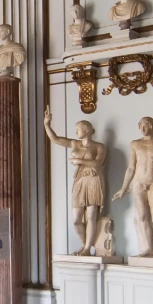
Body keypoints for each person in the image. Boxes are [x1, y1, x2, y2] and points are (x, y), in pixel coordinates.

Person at [44, 107, 108, 256]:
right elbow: (55, 139)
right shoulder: (74, 144)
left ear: (87, 130)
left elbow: (98, 163)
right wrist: (47, 124)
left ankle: (86, 249)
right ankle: (86, 245)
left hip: (93, 179)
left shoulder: (99, 146)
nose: (77, 131)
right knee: (76, 219)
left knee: (92, 215)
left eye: (79, 128)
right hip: (79, 180)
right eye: (76, 128)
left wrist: (78, 160)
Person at [112, 117, 153, 257]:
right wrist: (123, 188)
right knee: (142, 216)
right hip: (138, 182)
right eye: (140, 125)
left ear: (152, 125)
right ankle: (147, 249)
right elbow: (131, 167)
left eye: (145, 124)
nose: (143, 128)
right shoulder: (135, 144)